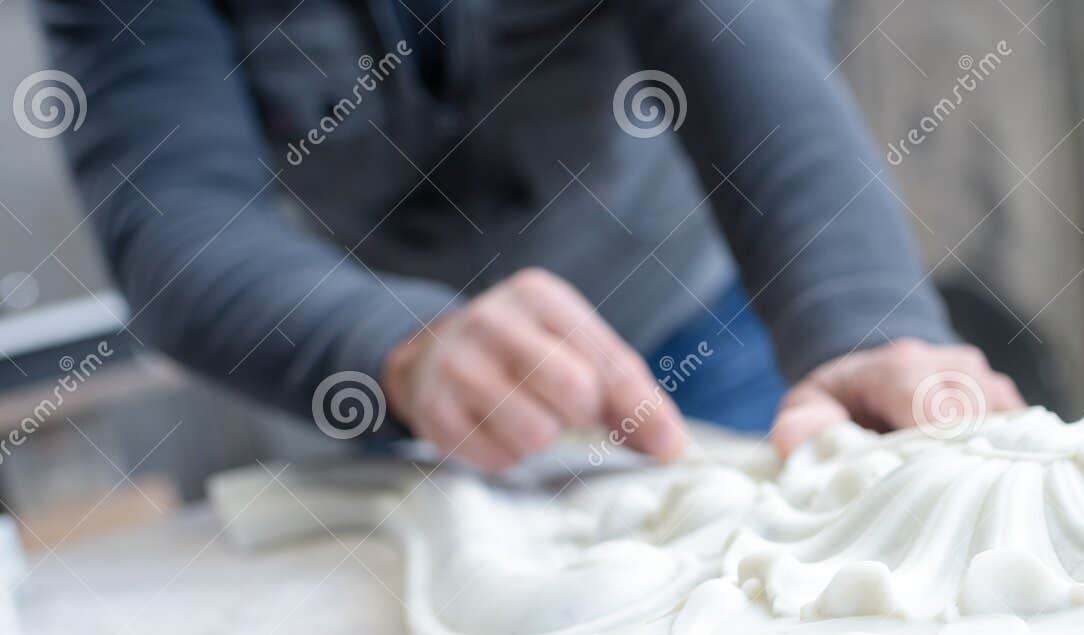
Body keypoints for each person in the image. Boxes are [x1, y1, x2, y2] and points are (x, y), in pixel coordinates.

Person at [41, 0, 1022, 469]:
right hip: (388, 368)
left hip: (694, 316)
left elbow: (739, 37)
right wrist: (393, 349)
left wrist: (859, 323)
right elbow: (176, 216)